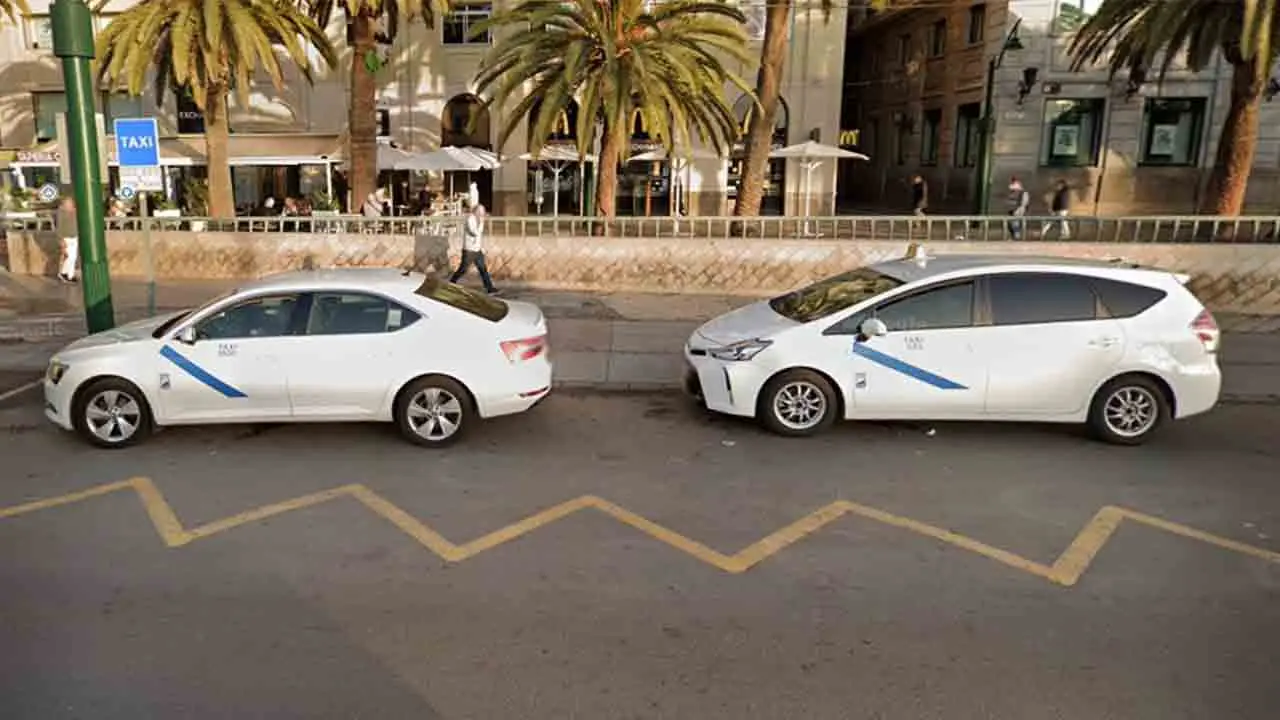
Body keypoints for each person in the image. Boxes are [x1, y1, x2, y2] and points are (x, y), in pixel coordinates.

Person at [449, 204, 499, 294]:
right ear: (476, 211)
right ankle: (451, 282)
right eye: (481, 211)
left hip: (477, 250)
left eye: (483, 211)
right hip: (469, 250)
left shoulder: (479, 220)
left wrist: (481, 247)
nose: (482, 213)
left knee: (483, 269)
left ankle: (489, 288)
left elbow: (479, 235)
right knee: (463, 269)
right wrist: (481, 222)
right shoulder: (470, 219)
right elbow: (475, 232)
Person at [56, 195, 78, 283]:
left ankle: (70, 275)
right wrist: (61, 240)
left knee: (73, 257)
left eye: (71, 203)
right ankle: (63, 273)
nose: (71, 204)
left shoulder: (74, 211)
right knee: (69, 257)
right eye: (69, 203)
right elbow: (59, 227)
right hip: (66, 238)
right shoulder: (61, 213)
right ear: (64, 204)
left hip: (74, 236)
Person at [1007, 176, 1030, 240]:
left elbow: (1024, 203)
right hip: (1012, 210)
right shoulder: (1012, 191)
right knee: (1011, 224)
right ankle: (1014, 236)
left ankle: (1016, 236)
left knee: (1015, 223)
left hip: (1017, 210)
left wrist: (1020, 209)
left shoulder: (1022, 192)